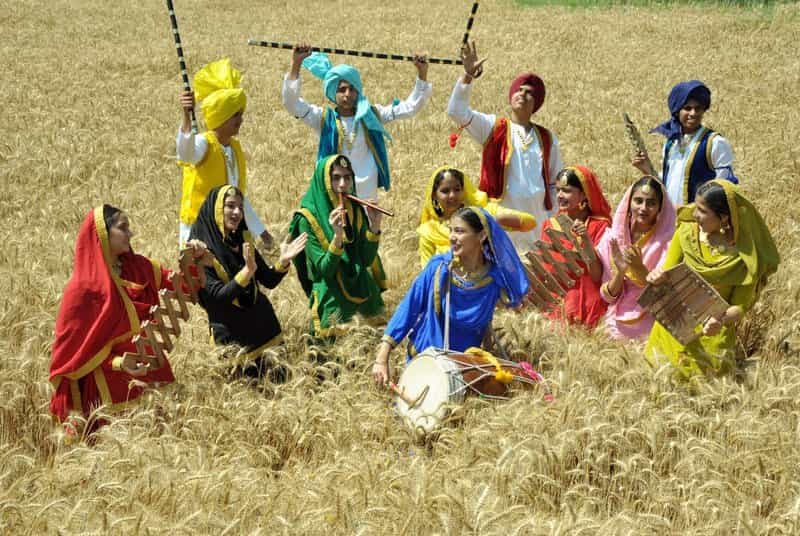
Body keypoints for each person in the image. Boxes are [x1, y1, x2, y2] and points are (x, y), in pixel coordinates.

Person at [49, 205, 210, 435]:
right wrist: (119, 363)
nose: (130, 234)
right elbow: (74, 355)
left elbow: (184, 287)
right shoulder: (81, 290)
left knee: (165, 437)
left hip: (152, 367)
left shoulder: (139, 267)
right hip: (111, 383)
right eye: (123, 228)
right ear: (103, 233)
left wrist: (195, 260)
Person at [373, 207, 530, 386]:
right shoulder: (439, 269)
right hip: (426, 360)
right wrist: (382, 358)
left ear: (481, 236)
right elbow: (408, 309)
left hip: (467, 369)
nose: (452, 237)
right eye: (451, 230)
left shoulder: (493, 278)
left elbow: (512, 302)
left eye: (460, 231)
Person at [644, 180, 779, 379]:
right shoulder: (686, 234)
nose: (694, 214)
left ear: (724, 218)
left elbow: (740, 307)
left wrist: (720, 320)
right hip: (675, 325)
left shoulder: (744, 257)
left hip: (712, 337)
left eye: (702, 211)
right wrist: (655, 276)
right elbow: (667, 273)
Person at [447, 41, 563, 250]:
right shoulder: (493, 127)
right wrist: (468, 76)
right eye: (519, 90)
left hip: (538, 220)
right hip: (501, 219)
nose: (522, 94)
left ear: (535, 104)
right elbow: (456, 111)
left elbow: (556, 184)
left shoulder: (547, 138)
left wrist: (552, 219)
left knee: (535, 277)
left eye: (529, 93)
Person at [282, 44, 432, 200]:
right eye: (342, 90)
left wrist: (422, 73)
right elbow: (292, 104)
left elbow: (410, 108)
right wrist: (296, 64)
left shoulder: (372, 115)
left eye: (352, 89)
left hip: (366, 196)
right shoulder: (323, 118)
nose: (347, 94)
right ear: (333, 92)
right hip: (334, 194)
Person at [189, 186, 307, 374]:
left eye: (240, 207)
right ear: (216, 210)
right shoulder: (200, 252)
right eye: (230, 206)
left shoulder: (241, 239)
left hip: (266, 330)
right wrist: (247, 271)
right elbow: (218, 299)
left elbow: (268, 280)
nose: (237, 212)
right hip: (234, 343)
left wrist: (283, 262)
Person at [177, 58, 273, 248]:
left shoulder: (235, 148)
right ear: (221, 117)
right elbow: (185, 154)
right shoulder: (203, 143)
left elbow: (237, 196)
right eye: (235, 115)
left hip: (227, 231)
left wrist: (261, 231)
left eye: (241, 114)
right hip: (199, 234)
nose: (241, 120)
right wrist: (186, 116)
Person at [288, 154, 385, 337]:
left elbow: (365, 260)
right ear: (323, 181)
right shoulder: (308, 219)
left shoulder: (355, 208)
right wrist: (337, 236)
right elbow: (325, 270)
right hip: (331, 297)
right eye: (336, 178)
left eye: (347, 177)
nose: (342, 185)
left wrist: (374, 227)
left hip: (362, 290)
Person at [633, 80, 737, 207]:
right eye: (687, 108)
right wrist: (647, 169)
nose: (693, 113)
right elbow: (667, 186)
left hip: (699, 222)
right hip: (671, 220)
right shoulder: (671, 144)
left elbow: (724, 188)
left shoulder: (715, 143)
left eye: (697, 108)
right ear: (677, 111)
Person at [596, 176, 676, 340]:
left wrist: (639, 268)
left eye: (651, 203)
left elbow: (665, 295)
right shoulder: (612, 239)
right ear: (628, 203)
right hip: (615, 316)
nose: (643, 208)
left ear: (660, 207)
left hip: (650, 314)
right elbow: (607, 295)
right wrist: (620, 273)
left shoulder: (669, 243)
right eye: (638, 201)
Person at [417, 166, 537, 267]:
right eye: (445, 191)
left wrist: (491, 221)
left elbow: (529, 222)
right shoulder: (429, 231)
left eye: (457, 189)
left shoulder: (482, 213)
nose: (452, 195)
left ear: (464, 191)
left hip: (489, 289)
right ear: (434, 195)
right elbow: (427, 273)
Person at [539, 166, 611, 328]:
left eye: (566, 190)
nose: (560, 196)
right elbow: (547, 271)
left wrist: (586, 239)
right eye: (557, 190)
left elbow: (597, 275)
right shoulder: (549, 225)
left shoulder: (599, 226)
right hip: (558, 298)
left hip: (589, 297)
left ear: (584, 194)